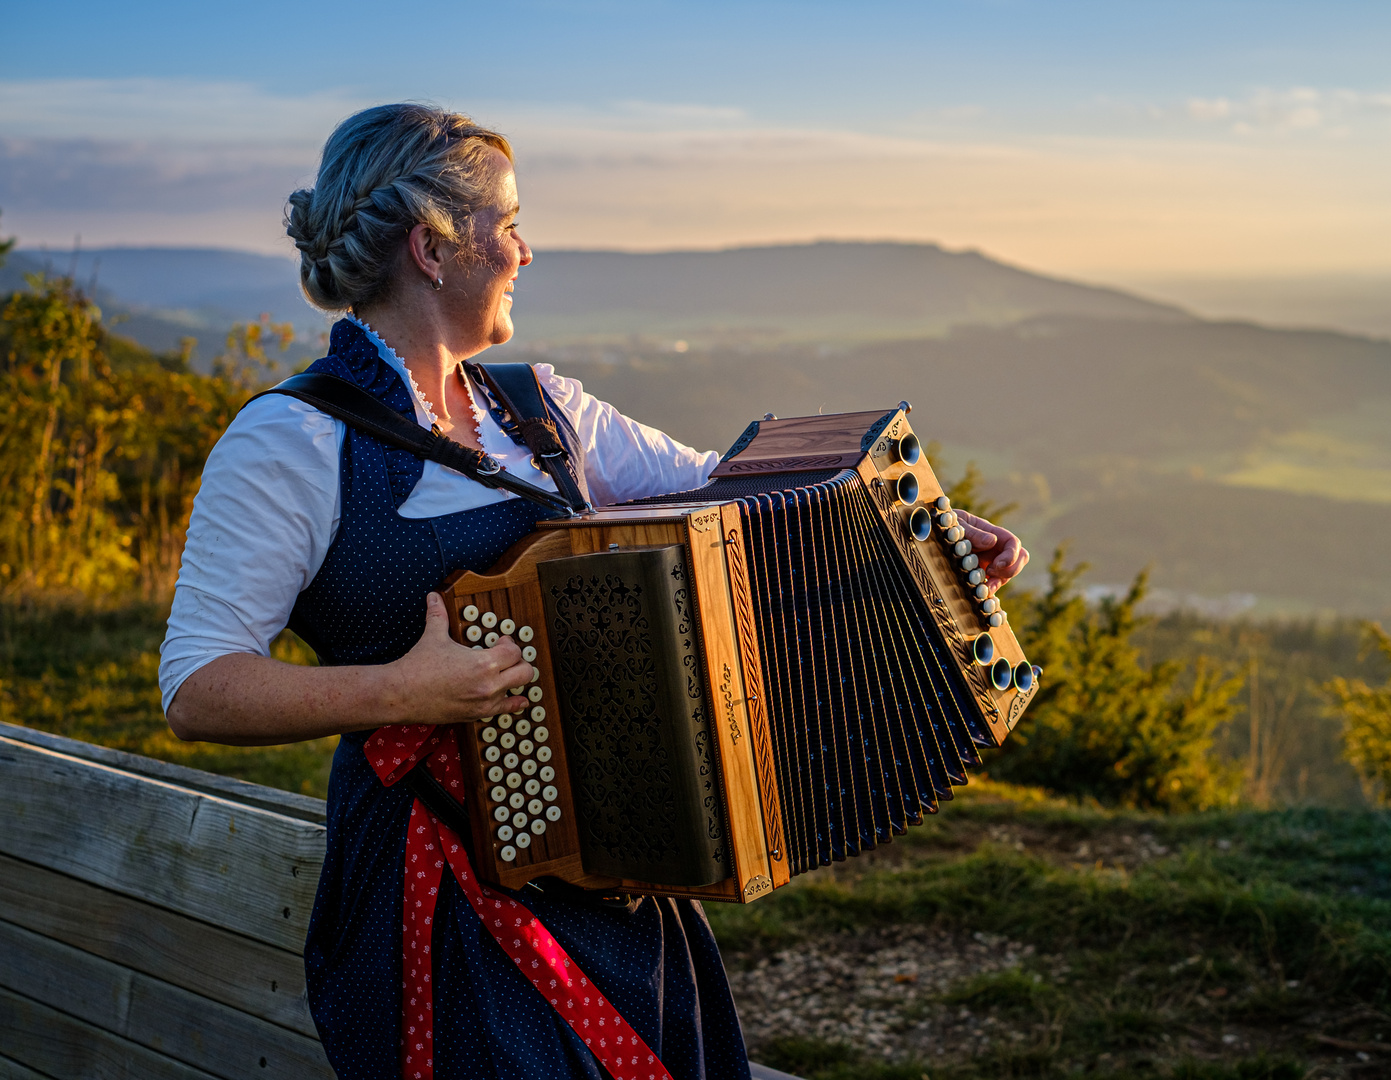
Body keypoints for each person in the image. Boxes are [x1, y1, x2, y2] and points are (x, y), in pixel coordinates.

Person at [160, 103, 1029, 1080]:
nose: (527, 253)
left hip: (627, 878)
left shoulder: (542, 412)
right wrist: (404, 693)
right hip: (444, 897)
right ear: (433, 250)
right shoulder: (292, 442)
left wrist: (922, 534)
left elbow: (731, 494)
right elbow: (199, 684)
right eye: (510, 224)